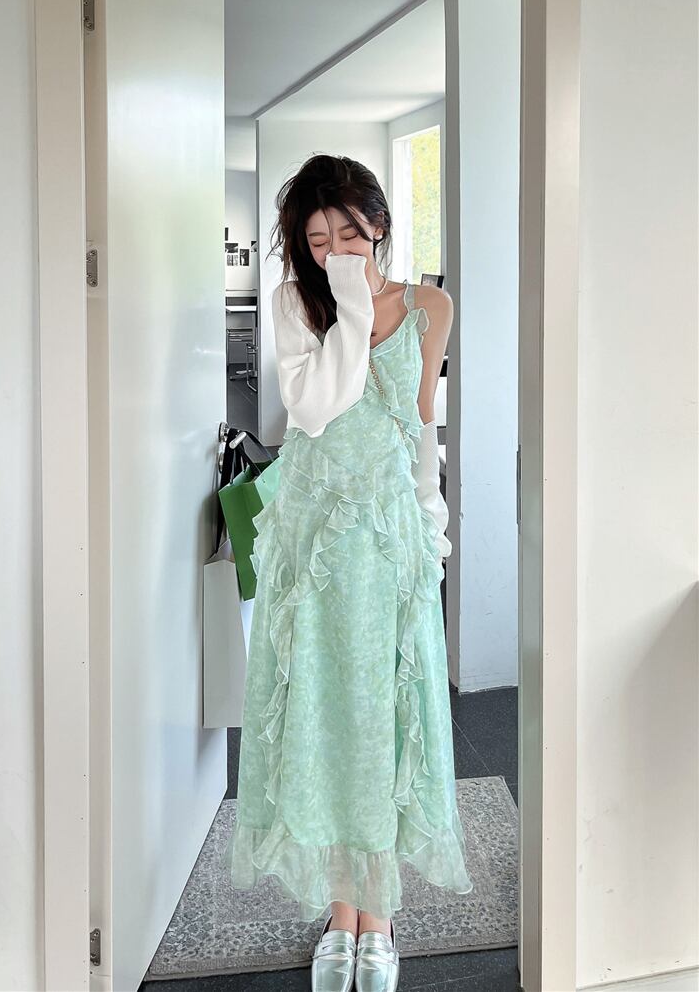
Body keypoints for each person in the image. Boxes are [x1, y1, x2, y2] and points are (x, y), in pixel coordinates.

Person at [224, 153, 473, 992]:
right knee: (326, 720)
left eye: (348, 234)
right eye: (317, 239)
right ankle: (342, 914)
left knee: (385, 724)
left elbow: (419, 428)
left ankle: (382, 916)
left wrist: (432, 533)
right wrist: (352, 299)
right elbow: (315, 406)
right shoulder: (298, 305)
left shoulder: (432, 308)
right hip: (317, 543)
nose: (332, 251)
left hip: (389, 540)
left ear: (380, 226)